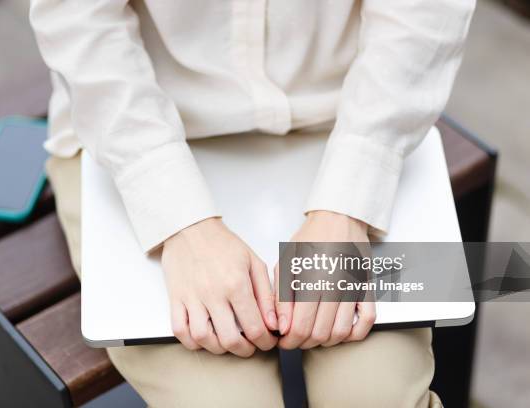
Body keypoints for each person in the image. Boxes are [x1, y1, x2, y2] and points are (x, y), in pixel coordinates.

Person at [30, 0, 475, 406]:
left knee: (375, 396)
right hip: (132, 137)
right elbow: (77, 22)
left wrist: (346, 206)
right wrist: (180, 220)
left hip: (348, 121)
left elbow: (424, 17)